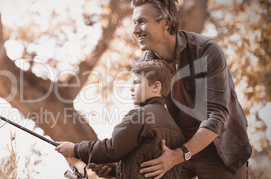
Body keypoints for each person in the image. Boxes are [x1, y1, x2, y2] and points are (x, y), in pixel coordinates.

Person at [91, 0, 252, 178]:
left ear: (166, 22)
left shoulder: (205, 50)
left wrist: (179, 155)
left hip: (219, 149)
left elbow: (217, 116)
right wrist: (117, 164)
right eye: (134, 23)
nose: (135, 30)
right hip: (174, 147)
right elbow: (143, 122)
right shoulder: (145, 65)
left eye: (142, 21)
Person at [55, 60, 185, 178]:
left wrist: (75, 149)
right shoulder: (177, 130)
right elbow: (144, 168)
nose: (132, 88)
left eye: (137, 83)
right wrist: (114, 170)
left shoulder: (140, 115)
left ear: (156, 86)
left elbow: (112, 148)